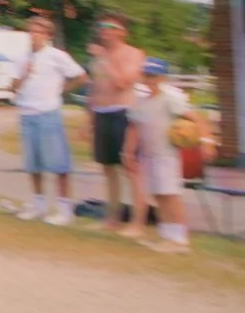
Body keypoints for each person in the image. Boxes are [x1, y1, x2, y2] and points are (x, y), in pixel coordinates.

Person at [9, 15, 88, 227]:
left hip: (48, 113)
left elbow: (81, 76)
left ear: (47, 35)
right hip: (27, 113)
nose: (34, 35)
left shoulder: (57, 56)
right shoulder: (21, 57)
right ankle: (39, 206)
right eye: (32, 31)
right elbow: (12, 87)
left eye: (39, 32)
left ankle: (64, 210)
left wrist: (61, 91)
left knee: (58, 163)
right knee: (33, 164)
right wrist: (24, 75)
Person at [125, 57, 198, 252]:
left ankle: (181, 238)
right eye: (146, 75)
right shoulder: (140, 101)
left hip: (166, 155)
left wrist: (204, 141)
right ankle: (167, 235)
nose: (149, 80)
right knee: (158, 195)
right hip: (148, 155)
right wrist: (129, 152)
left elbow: (193, 117)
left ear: (162, 78)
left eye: (153, 76)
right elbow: (134, 128)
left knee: (170, 195)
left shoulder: (169, 99)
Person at [84, 14, 146, 234]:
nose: (104, 30)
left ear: (122, 32)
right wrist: (88, 121)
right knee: (108, 168)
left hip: (123, 113)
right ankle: (112, 219)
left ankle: (137, 223)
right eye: (102, 26)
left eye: (110, 26)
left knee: (131, 169)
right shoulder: (98, 58)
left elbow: (122, 83)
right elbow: (94, 90)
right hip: (101, 114)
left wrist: (105, 60)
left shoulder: (133, 54)